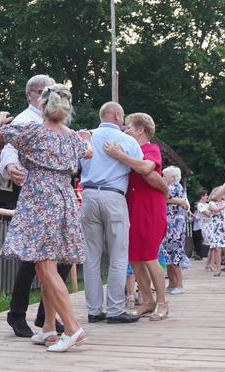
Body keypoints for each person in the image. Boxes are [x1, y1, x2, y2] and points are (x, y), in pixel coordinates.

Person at [0, 84, 92, 351]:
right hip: (64, 197)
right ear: (66, 109)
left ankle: (71, 328)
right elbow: (87, 151)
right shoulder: (72, 138)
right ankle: (47, 329)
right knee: (48, 266)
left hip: (40, 197)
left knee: (45, 266)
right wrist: (85, 137)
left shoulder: (32, 132)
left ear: (42, 107)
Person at [0, 74, 71, 338]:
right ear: (31, 95)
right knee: (32, 261)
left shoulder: (55, 121)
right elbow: (7, 149)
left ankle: (46, 318)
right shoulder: (25, 120)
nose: (47, 94)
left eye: (50, 90)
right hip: (34, 194)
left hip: (55, 196)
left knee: (56, 260)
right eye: (42, 91)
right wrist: (11, 167)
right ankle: (18, 314)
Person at [103, 112, 170, 320]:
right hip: (131, 207)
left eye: (129, 127)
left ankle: (162, 303)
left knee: (150, 257)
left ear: (141, 129)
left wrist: (119, 155)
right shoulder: (130, 149)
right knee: (135, 258)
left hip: (150, 207)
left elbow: (146, 167)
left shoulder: (150, 149)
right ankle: (148, 301)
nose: (125, 130)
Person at [80, 102, 142, 324]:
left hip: (88, 196)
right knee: (118, 255)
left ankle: (94, 310)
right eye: (123, 115)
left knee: (91, 256)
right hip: (114, 196)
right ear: (116, 115)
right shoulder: (127, 141)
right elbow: (141, 167)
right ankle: (115, 309)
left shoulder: (85, 137)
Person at [162, 166, 190, 294]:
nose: (163, 178)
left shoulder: (174, 186)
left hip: (175, 225)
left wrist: (176, 200)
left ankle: (179, 284)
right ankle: (172, 283)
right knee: (169, 253)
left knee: (174, 253)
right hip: (172, 223)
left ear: (173, 177)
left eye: (165, 175)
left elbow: (164, 197)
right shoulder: (175, 187)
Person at [207, 186, 225, 276]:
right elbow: (215, 209)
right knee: (217, 248)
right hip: (215, 228)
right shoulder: (211, 203)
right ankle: (218, 269)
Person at [191, 191, 209, 261]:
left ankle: (200, 254)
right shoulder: (199, 205)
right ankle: (199, 254)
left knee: (201, 241)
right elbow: (205, 214)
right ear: (202, 196)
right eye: (206, 195)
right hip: (199, 226)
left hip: (205, 225)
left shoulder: (207, 205)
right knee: (198, 241)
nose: (207, 196)